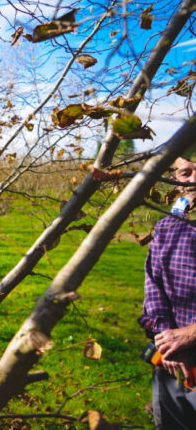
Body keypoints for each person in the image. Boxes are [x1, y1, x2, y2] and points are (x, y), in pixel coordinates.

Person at [139, 156, 196, 429]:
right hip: (173, 365)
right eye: (186, 173)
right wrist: (169, 340)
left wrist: (191, 335)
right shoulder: (168, 226)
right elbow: (153, 285)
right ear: (174, 179)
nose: (194, 180)